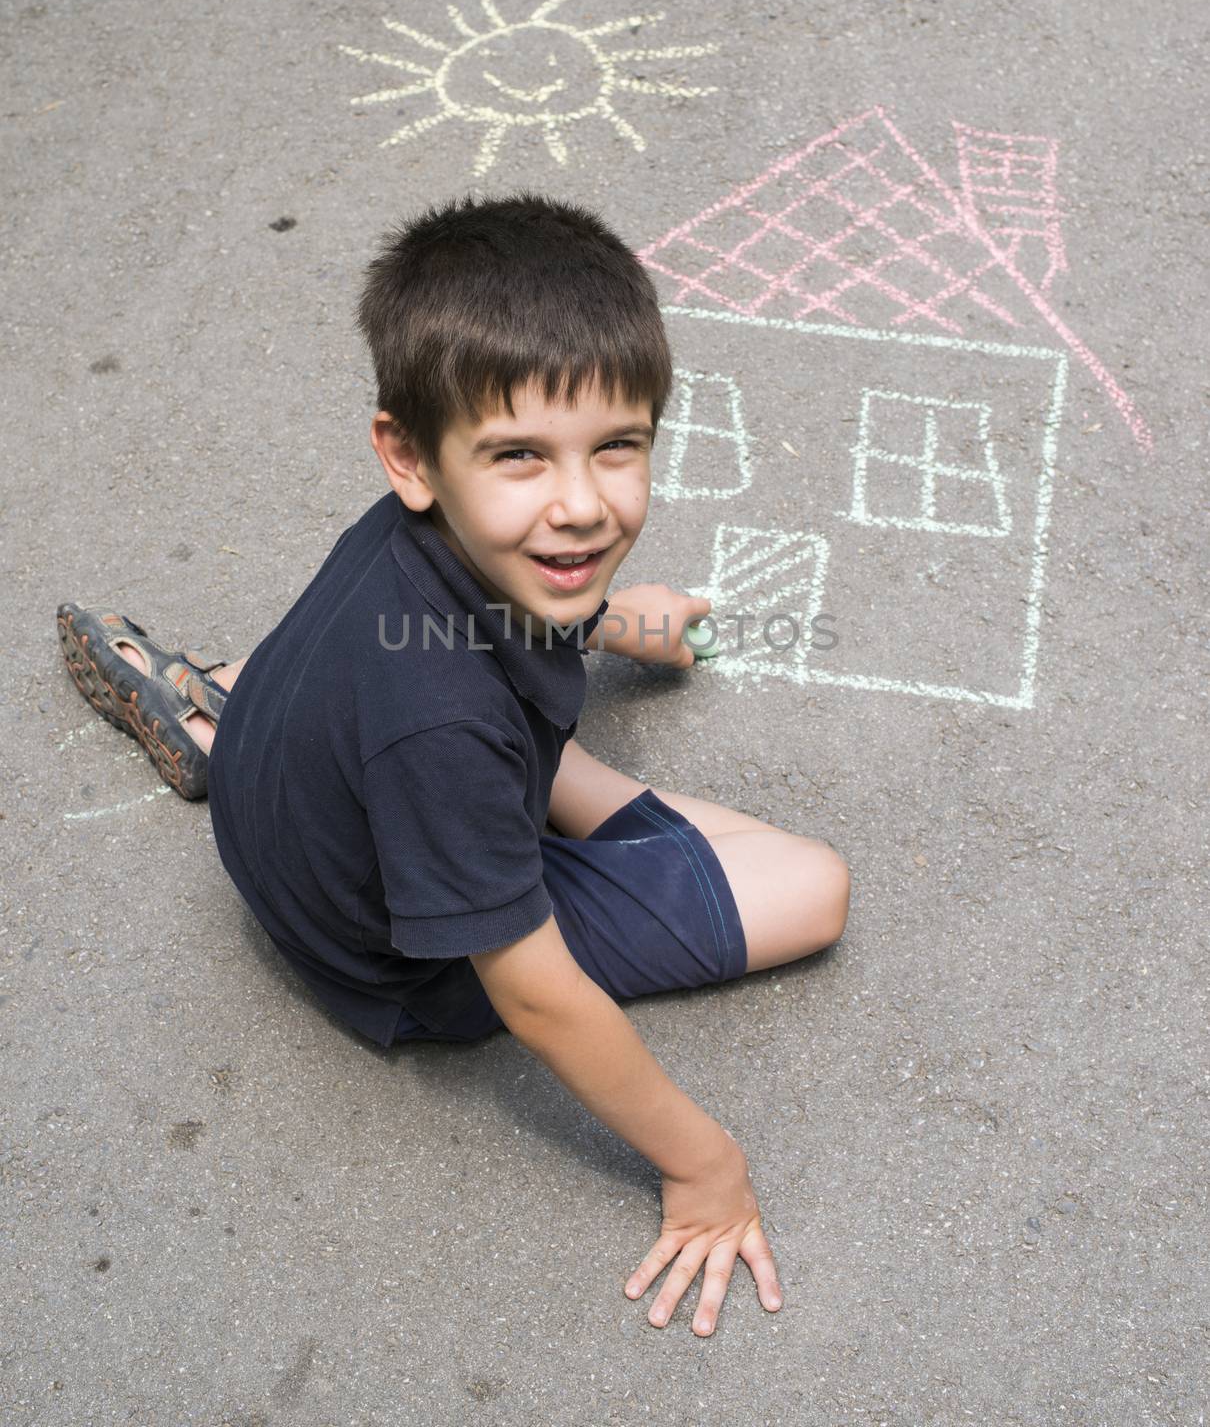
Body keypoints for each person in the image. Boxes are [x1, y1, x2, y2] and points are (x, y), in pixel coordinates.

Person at [56, 191, 850, 1339]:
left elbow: (519, 589)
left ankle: (220, 711)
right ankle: (260, 729)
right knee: (806, 881)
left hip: (290, 803)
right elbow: (534, 994)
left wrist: (625, 622)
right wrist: (704, 1166)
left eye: (615, 448)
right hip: (395, 954)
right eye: (521, 456)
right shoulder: (441, 728)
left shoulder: (435, 536)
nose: (579, 504)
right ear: (409, 454)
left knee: (499, 686)